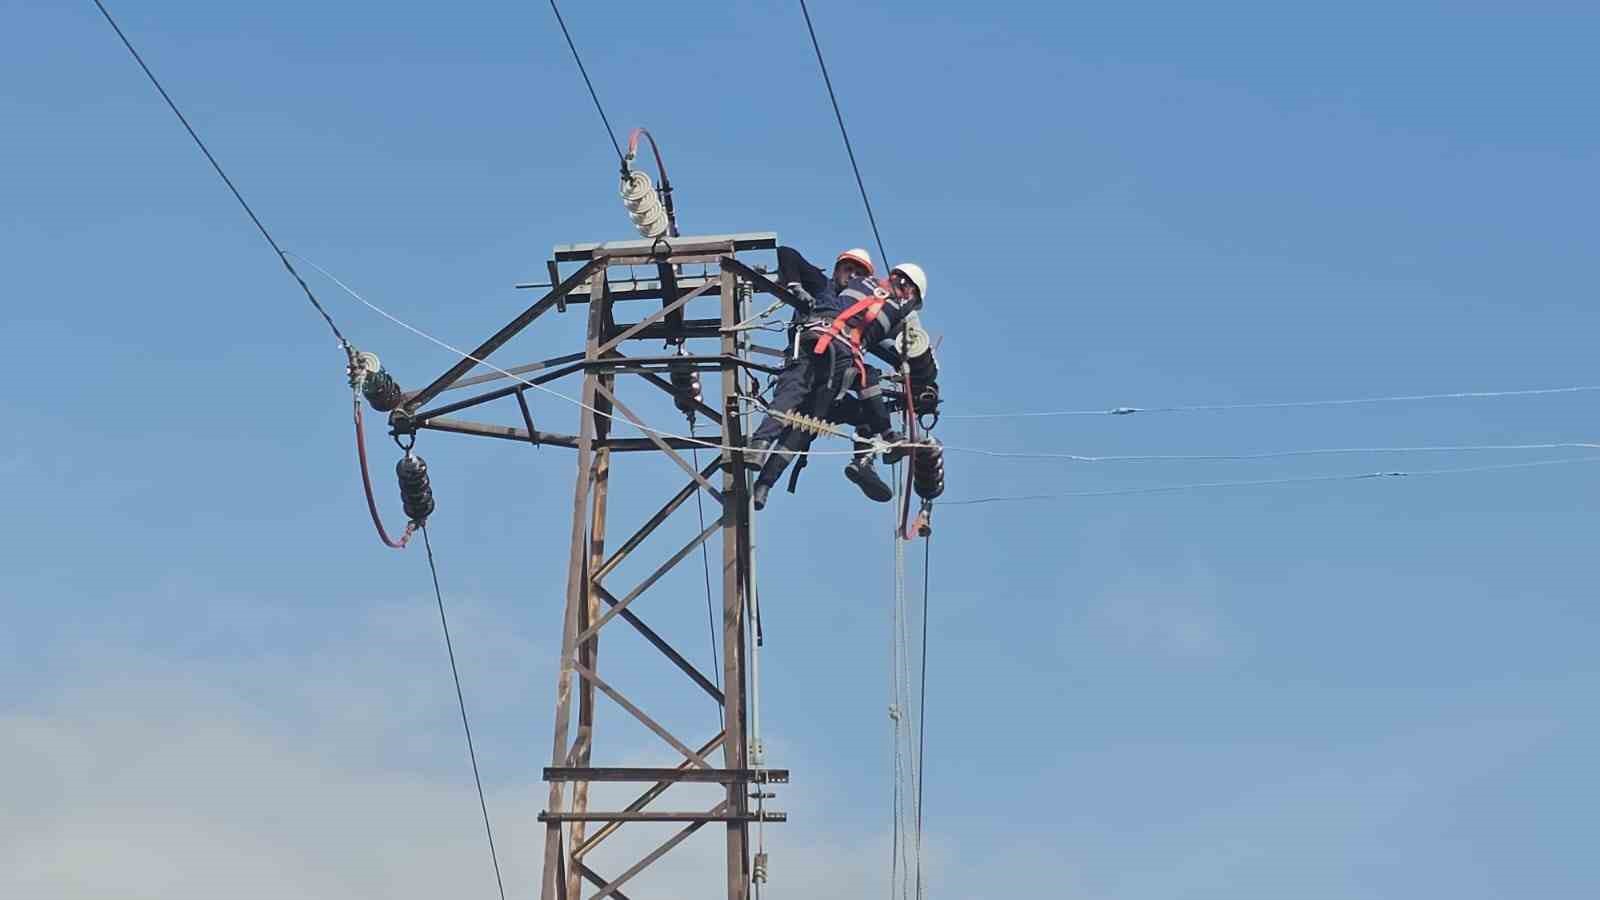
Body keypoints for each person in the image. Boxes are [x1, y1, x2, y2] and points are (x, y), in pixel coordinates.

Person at [748, 262, 928, 510]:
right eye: (912, 297)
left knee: (804, 420)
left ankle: (764, 480)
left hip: (833, 356)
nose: (909, 302)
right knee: (853, 384)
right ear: (908, 286)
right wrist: (796, 285)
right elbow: (902, 344)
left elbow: (897, 345)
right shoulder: (881, 303)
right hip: (831, 351)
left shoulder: (860, 288)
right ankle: (886, 437)